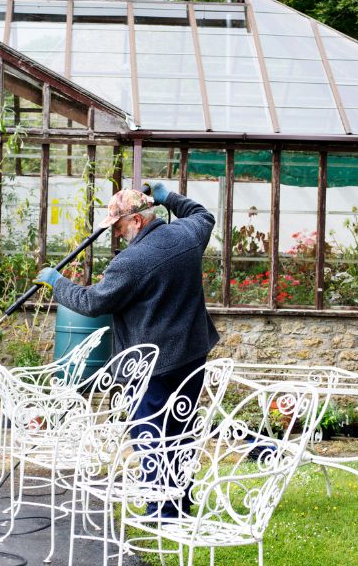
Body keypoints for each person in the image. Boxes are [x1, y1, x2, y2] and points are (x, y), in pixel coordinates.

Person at [33, 182, 219, 518]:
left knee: (149, 431)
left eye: (118, 226)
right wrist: (169, 198)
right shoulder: (188, 235)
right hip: (191, 355)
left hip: (153, 365)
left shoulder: (131, 262)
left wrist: (57, 282)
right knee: (179, 429)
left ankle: (161, 509)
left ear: (136, 221)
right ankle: (179, 500)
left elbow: (91, 302)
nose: (117, 234)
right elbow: (202, 215)